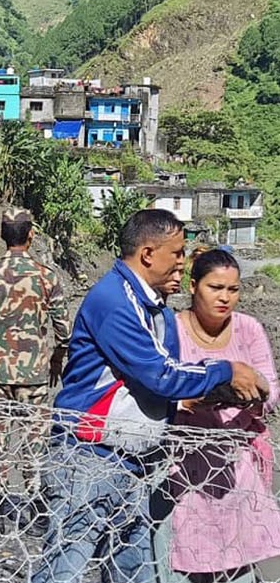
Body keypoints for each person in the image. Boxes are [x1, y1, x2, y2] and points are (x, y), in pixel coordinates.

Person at [33, 210, 270, 583]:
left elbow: (160, 379)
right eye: (176, 252)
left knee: (134, 571)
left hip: (135, 462)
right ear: (148, 254)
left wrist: (213, 392)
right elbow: (161, 374)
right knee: (65, 568)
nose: (181, 260)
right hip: (90, 459)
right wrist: (227, 371)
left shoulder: (154, 307)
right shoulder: (114, 300)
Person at [156, 248, 280, 583]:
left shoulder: (248, 329)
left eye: (233, 289)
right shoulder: (171, 330)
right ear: (193, 286)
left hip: (234, 466)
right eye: (215, 288)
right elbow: (159, 385)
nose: (225, 297)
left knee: (238, 563)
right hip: (181, 466)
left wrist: (253, 397)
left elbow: (270, 388)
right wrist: (194, 400)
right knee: (181, 560)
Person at [0, 207, 69, 531]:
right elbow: (63, 327)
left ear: (2, 234)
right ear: (30, 234)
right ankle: (36, 513)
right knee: (33, 440)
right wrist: (56, 355)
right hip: (34, 372)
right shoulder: (46, 275)